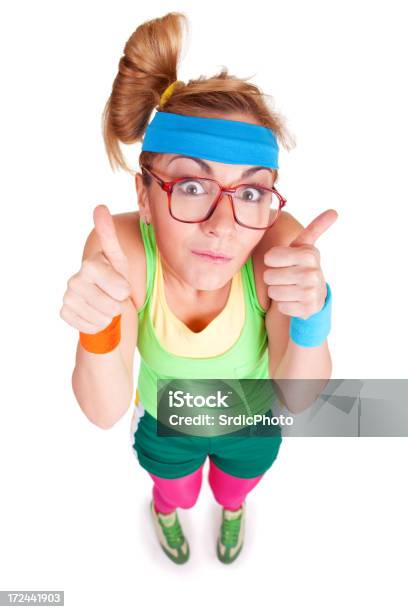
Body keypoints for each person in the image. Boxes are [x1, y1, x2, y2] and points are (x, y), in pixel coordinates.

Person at [61, 12, 336, 565]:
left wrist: (314, 313)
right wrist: (97, 331)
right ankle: (166, 511)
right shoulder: (122, 251)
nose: (224, 224)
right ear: (144, 196)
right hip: (168, 421)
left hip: (251, 422)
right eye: (191, 185)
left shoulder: (276, 247)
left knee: (234, 491)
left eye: (251, 193)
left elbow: (299, 397)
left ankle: (232, 512)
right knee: (177, 491)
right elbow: (105, 410)